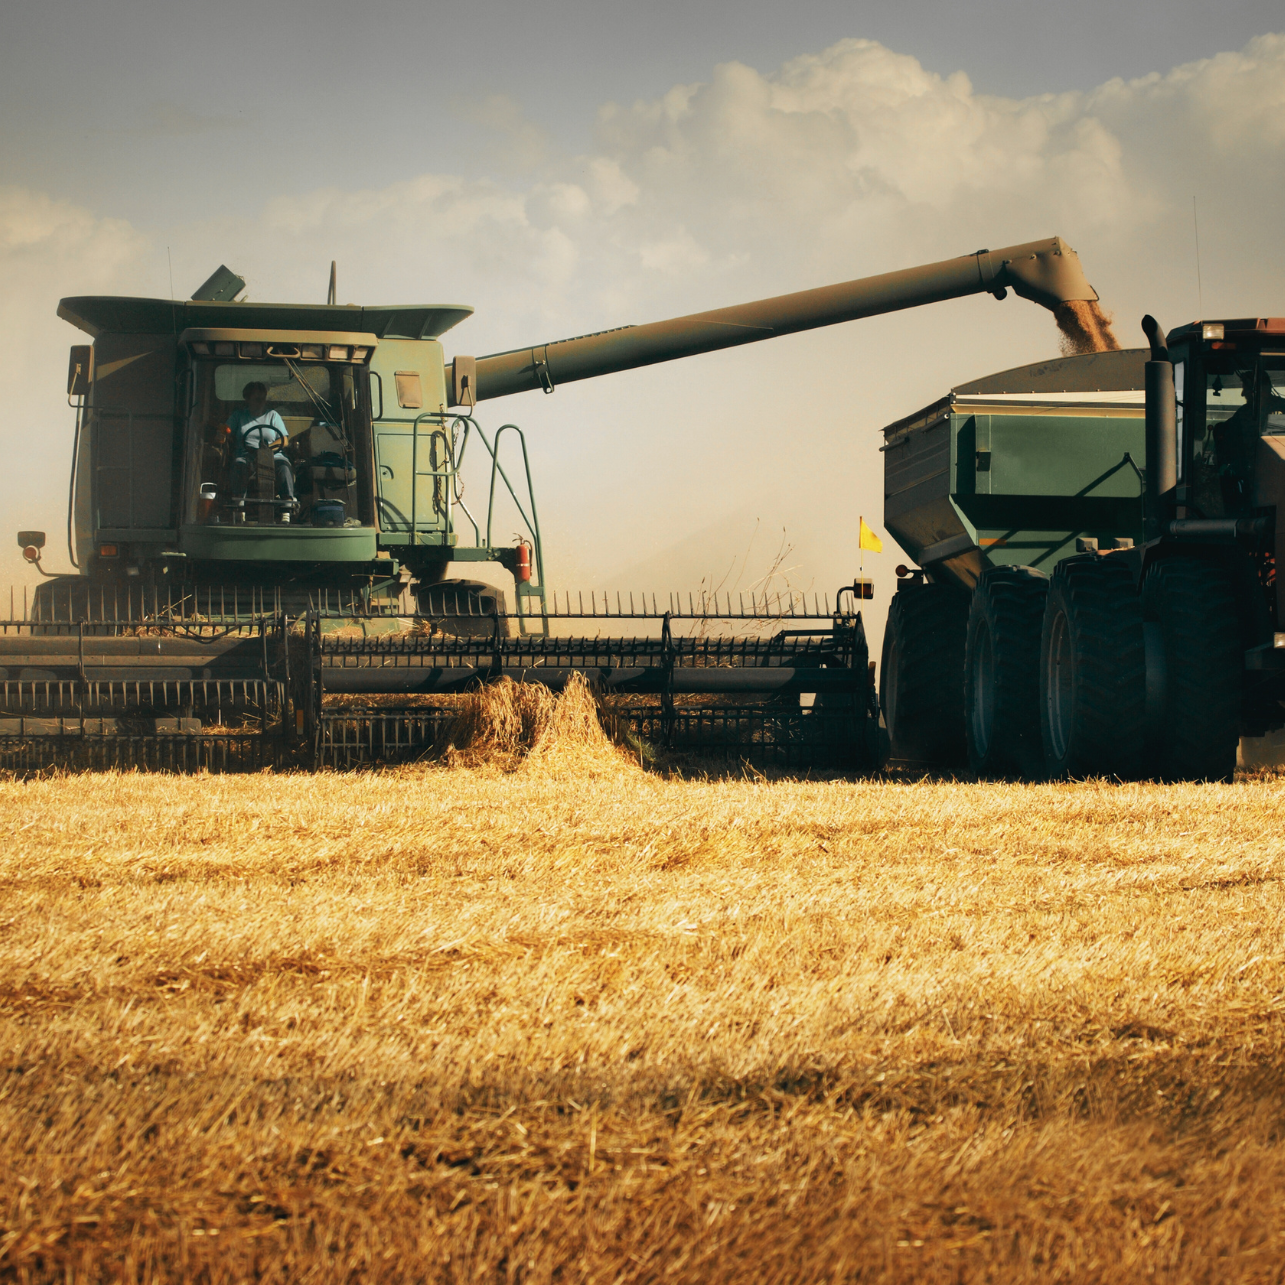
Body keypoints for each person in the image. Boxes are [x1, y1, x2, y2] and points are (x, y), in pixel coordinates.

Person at [227, 381, 295, 503]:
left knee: (284, 467)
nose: (261, 402)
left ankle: (287, 504)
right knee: (239, 466)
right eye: (257, 398)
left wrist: (265, 450)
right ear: (247, 399)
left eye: (263, 398)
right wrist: (222, 434)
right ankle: (238, 505)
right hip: (246, 456)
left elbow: (284, 440)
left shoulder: (272, 415)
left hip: (273, 455)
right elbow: (226, 431)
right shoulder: (239, 416)